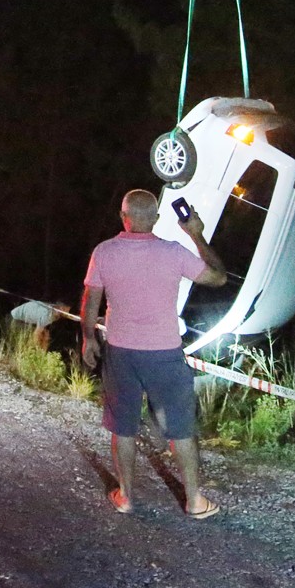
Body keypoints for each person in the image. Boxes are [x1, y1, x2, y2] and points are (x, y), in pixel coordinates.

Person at [79, 188, 227, 519]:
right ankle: (194, 501)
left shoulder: (104, 252)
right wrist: (198, 236)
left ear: (123, 217)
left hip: (120, 353)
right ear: (157, 219)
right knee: (181, 429)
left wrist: (88, 338)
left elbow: (91, 300)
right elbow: (218, 278)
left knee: (124, 428)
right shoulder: (174, 253)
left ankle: (127, 497)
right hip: (164, 354)